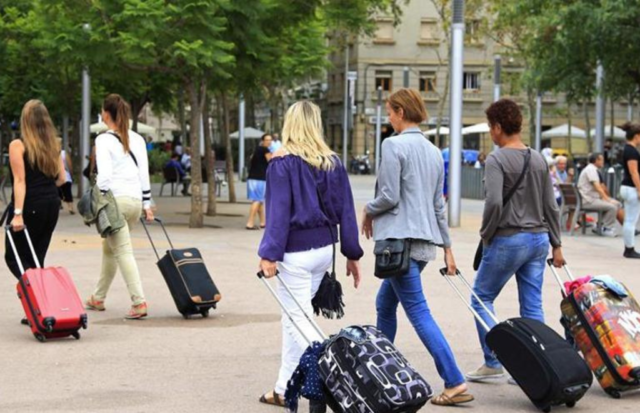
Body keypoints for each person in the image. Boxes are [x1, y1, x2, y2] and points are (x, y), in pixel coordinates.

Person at [361, 88, 473, 407]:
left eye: (390, 112)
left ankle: (454, 381)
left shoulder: (393, 145)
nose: (389, 118)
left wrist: (367, 209)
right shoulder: (434, 151)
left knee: (419, 312)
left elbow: (389, 196)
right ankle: (382, 371)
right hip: (423, 247)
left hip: (398, 246)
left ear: (400, 112)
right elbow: (439, 205)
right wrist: (447, 247)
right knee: (385, 304)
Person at [257, 101, 363, 408]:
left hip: (295, 253)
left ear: (289, 123)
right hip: (324, 251)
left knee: (297, 320)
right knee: (294, 317)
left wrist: (268, 254)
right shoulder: (332, 162)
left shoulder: (281, 163)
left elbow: (278, 214)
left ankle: (332, 375)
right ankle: (283, 388)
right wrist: (352, 253)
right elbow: (346, 210)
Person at [466, 99, 565, 382]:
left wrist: (486, 233)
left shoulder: (496, 159)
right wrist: (557, 244)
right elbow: (551, 206)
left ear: (498, 127)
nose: (490, 132)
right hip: (539, 240)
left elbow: (494, 202)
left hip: (509, 238)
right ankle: (538, 366)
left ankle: (493, 360)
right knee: (532, 305)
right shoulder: (538, 158)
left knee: (481, 298)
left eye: (490, 127)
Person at [85, 94, 154, 320]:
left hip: (116, 203)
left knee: (123, 251)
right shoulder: (138, 139)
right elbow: (144, 173)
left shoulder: (103, 140)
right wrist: (147, 203)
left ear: (106, 114)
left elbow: (104, 176)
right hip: (134, 202)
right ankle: (98, 297)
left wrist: (98, 196)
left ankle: (139, 302)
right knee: (110, 249)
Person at [5, 100, 67, 280]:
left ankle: (34, 293)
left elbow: (20, 181)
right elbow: (62, 179)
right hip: (51, 204)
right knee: (36, 258)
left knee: (14, 257)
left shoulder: (18, 145)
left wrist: (17, 213)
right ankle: (40, 294)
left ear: (25, 120)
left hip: (30, 205)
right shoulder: (54, 144)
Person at [577, 153, 623, 237]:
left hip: (588, 199)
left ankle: (599, 225)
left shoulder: (591, 169)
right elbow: (597, 187)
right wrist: (607, 199)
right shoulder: (591, 170)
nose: (603, 162)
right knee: (613, 206)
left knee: (617, 204)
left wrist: (606, 199)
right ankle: (607, 228)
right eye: (601, 160)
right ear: (596, 160)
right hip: (589, 201)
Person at [620, 122, 640, 258]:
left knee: (629, 220)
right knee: (631, 221)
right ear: (637, 136)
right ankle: (629, 249)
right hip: (631, 188)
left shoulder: (627, 149)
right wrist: (639, 189)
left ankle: (629, 248)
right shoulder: (632, 151)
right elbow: (634, 172)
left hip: (627, 187)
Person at [246, 134, 272, 230]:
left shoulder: (257, 149)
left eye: (270, 140)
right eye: (267, 140)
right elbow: (271, 162)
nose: (269, 142)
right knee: (257, 200)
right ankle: (250, 223)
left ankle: (263, 222)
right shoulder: (265, 150)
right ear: (263, 141)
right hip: (260, 179)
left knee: (259, 201)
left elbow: (251, 159)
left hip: (252, 178)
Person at [58, 141, 76, 215]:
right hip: (65, 175)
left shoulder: (50, 153)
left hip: (55, 176)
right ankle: (70, 207)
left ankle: (59, 203)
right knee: (68, 191)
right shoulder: (64, 153)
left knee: (57, 191)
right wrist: (71, 174)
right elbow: (70, 165)